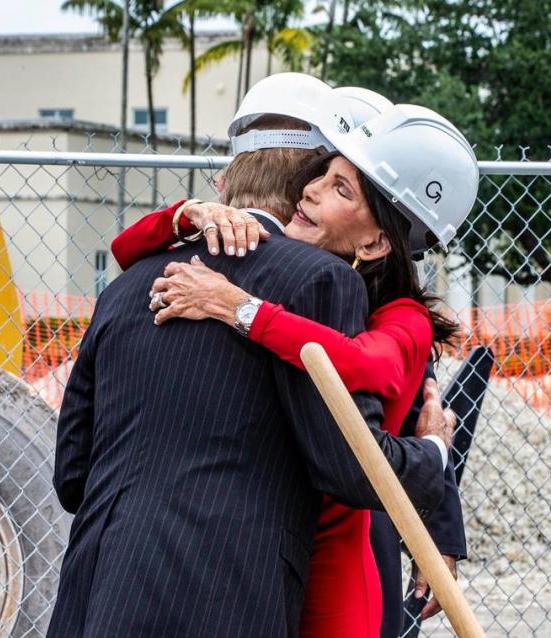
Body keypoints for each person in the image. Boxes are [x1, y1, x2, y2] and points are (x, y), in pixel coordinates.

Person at [48, 100, 456, 638]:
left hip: (96, 592)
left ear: (224, 182)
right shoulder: (320, 284)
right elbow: (350, 463)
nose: (316, 193)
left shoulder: (125, 286)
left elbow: (73, 476)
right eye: (324, 177)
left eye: (341, 187)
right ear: (299, 182)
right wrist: (436, 454)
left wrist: (236, 301)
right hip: (232, 593)